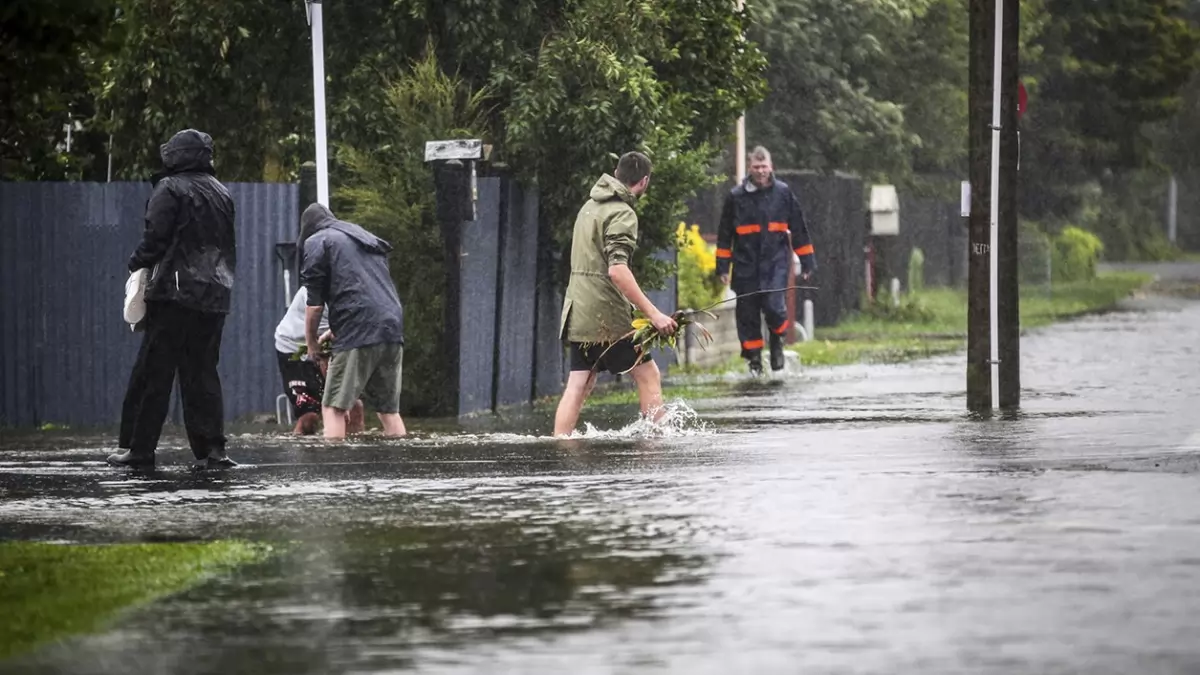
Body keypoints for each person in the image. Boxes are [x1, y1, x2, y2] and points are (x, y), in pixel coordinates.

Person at [109, 129, 237, 469]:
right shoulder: (222, 192)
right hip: (214, 295)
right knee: (202, 372)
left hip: (174, 293)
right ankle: (213, 450)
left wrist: (136, 262)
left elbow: (156, 237)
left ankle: (139, 449)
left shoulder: (170, 188)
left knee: (154, 372)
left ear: (177, 155)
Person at [553, 151, 677, 437]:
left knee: (579, 383)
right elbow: (617, 270)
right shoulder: (622, 213)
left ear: (615, 173)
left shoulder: (588, 208)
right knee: (648, 375)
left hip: (578, 310)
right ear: (644, 182)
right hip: (606, 314)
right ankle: (655, 443)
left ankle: (560, 445)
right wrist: (655, 315)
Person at [299, 203, 407, 439]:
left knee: (332, 407)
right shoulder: (362, 237)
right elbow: (365, 293)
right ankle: (399, 462)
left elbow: (315, 305)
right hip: (392, 325)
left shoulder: (318, 241)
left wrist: (311, 343)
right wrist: (336, 330)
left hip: (359, 328)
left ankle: (335, 468)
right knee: (389, 411)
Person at [715, 145, 816, 375]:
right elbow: (724, 235)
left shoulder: (783, 194)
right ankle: (754, 361)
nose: (761, 171)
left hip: (775, 265)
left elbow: (799, 229)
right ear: (750, 168)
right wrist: (722, 267)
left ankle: (777, 341)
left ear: (771, 167)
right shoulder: (736, 197)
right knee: (747, 316)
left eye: (764, 167)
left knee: (774, 308)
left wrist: (807, 261)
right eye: (756, 167)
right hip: (745, 266)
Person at [273, 286, 364, 435]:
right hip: (293, 347)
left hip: (325, 343)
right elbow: (325, 357)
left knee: (355, 407)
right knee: (309, 418)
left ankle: (352, 453)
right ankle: (300, 453)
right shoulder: (318, 291)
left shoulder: (356, 291)